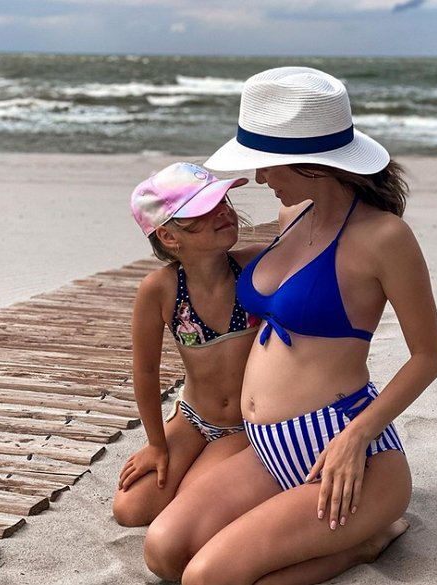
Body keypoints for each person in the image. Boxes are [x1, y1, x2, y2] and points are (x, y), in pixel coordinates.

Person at [144, 67, 437, 584]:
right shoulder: (292, 218)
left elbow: (429, 355)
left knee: (205, 578)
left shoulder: (384, 238)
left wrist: (355, 437)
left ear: (312, 165)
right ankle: (352, 541)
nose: (261, 179)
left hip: (344, 451)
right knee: (163, 552)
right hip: (267, 448)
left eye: (267, 164)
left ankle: (365, 543)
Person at [112, 162, 264, 527]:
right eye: (205, 209)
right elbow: (145, 372)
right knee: (130, 510)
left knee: (189, 507)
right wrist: (156, 444)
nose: (223, 211)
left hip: (246, 426)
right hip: (194, 418)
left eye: (223, 201)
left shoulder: (257, 265)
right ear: (168, 236)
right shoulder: (160, 290)